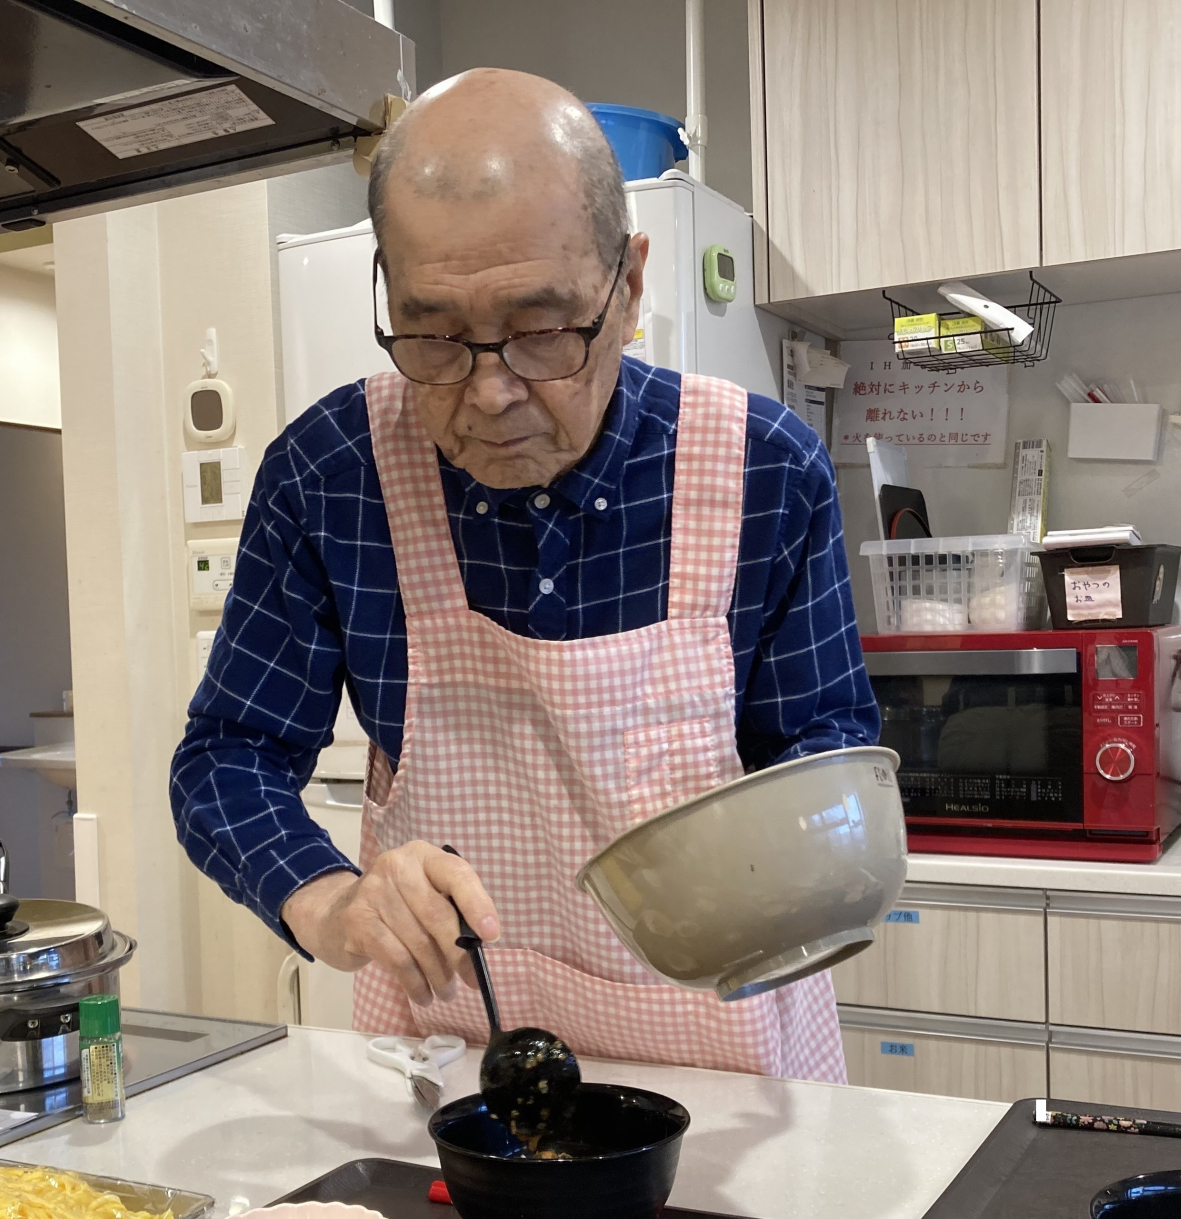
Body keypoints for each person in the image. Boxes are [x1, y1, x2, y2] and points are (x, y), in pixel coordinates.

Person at [171, 69, 877, 1081]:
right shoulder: (331, 476)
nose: (491, 393)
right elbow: (229, 755)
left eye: (543, 331)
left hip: (728, 1052)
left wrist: (803, 859)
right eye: (433, 337)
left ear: (628, 287)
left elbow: (824, 743)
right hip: (450, 1055)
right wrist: (332, 902)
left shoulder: (762, 469)